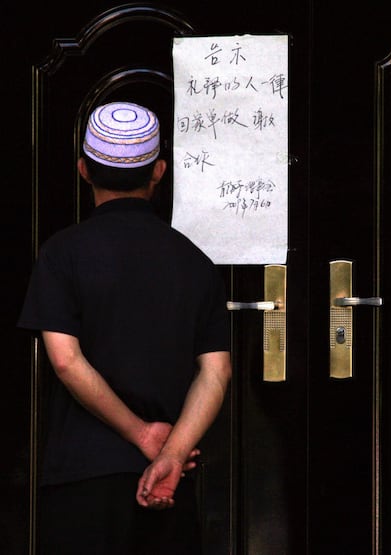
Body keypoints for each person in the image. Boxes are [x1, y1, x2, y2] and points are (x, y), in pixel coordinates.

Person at [17, 101, 232, 555]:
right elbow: (216, 373)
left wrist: (141, 434)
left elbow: (65, 360)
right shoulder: (195, 262)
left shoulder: (62, 253)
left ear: (83, 170)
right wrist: (172, 454)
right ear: (158, 171)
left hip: (82, 475)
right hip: (168, 482)